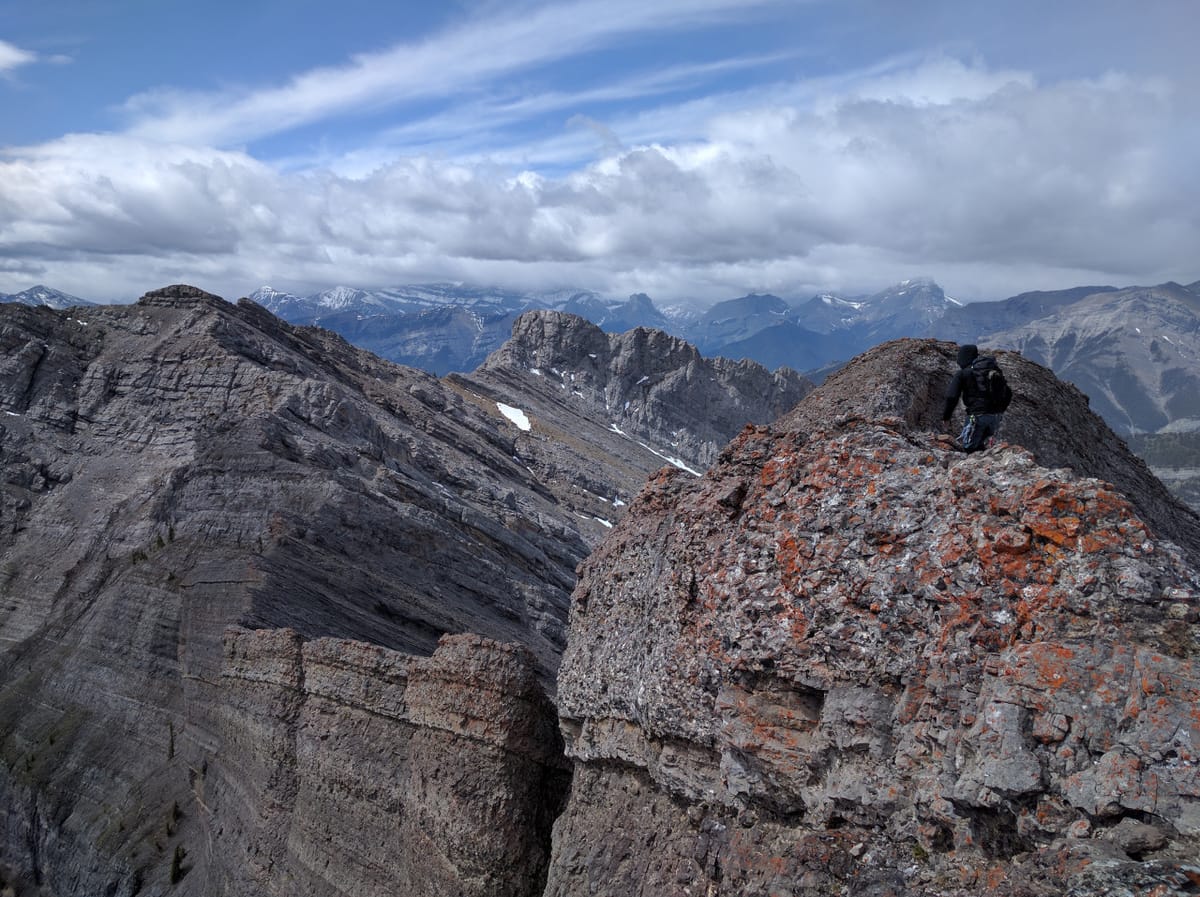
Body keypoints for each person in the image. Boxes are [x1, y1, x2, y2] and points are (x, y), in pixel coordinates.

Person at [942, 344, 1012, 452]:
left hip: (976, 416)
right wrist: (999, 411)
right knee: (982, 447)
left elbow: (951, 396)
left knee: (969, 448)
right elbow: (1008, 393)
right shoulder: (991, 370)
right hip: (995, 417)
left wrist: (946, 417)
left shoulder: (962, 374)